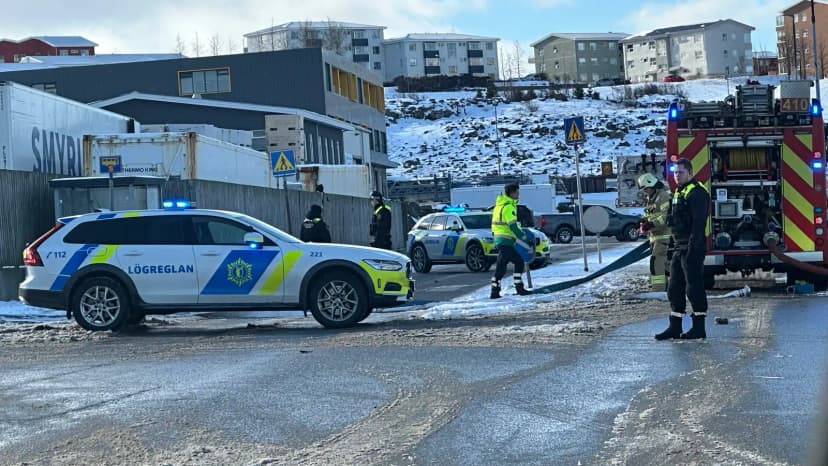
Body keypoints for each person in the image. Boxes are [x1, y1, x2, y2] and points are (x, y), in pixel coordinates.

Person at [656, 158, 710, 340]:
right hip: (678, 246)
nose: (677, 176)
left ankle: (698, 328)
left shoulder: (697, 193)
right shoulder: (679, 192)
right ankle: (675, 326)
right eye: (675, 173)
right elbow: (673, 221)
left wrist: (694, 245)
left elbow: (698, 221)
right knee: (674, 287)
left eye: (680, 172)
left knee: (693, 288)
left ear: (690, 173)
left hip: (691, 246)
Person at [490, 183, 532, 299]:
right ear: (512, 193)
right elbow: (512, 226)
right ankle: (519, 288)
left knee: (501, 266)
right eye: (517, 193)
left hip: (499, 239)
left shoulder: (498, 206)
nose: (518, 195)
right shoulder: (508, 207)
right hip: (506, 240)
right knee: (518, 262)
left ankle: (495, 291)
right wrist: (523, 237)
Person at [637, 173, 672, 292]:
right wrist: (644, 220)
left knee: (656, 263)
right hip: (655, 236)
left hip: (663, 235)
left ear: (652, 185)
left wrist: (651, 224)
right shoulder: (652, 197)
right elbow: (652, 214)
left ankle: (659, 290)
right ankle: (674, 285)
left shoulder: (663, 196)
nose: (645, 192)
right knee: (665, 264)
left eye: (646, 189)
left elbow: (665, 216)